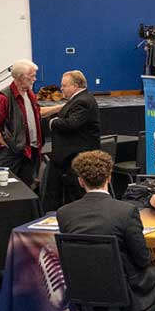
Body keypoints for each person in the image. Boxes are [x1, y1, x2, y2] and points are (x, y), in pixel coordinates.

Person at [57, 150, 155, 311]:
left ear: (80, 181)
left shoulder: (64, 213)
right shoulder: (125, 212)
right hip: (129, 296)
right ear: (109, 177)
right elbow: (142, 259)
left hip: (84, 294)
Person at [0, 59, 62, 186]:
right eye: (32, 76)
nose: (35, 79)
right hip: (11, 155)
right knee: (10, 188)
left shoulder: (29, 93)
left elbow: (37, 112)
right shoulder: (3, 98)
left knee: (28, 186)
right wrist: (7, 144)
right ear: (20, 78)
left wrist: (59, 107)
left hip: (30, 151)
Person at [44, 70, 100, 211]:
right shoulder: (80, 99)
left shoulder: (82, 101)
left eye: (64, 85)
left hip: (77, 157)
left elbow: (71, 124)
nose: (61, 88)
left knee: (77, 196)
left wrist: (53, 122)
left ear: (75, 86)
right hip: (72, 156)